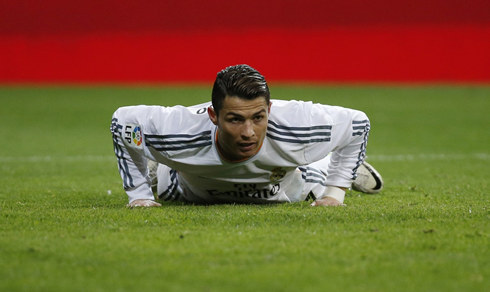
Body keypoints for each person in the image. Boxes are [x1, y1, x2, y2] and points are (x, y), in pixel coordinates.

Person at [110, 64, 383, 207]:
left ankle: (342, 168)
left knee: (312, 176)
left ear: (269, 111)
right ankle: (160, 164)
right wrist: (139, 194)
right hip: (189, 189)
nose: (248, 133)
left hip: (281, 185)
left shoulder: (300, 125)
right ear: (213, 116)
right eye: (235, 120)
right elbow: (122, 122)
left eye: (258, 118)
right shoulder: (177, 130)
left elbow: (357, 125)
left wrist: (335, 193)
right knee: (163, 177)